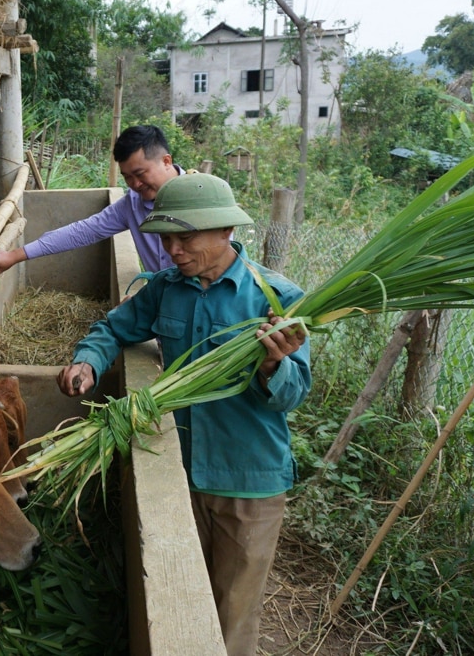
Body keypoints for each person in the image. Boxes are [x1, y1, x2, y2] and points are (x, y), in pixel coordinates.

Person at [56, 173, 311, 656]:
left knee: (232, 615)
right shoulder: (165, 289)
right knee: (182, 599)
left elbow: (292, 395)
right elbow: (113, 328)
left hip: (247, 481)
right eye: (165, 238)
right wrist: (87, 361)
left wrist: (273, 364)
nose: (172, 250)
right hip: (178, 473)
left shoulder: (276, 299)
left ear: (226, 231)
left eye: (185, 238)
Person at [0, 125, 183, 276]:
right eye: (128, 177)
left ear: (166, 161)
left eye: (140, 174)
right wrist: (14, 256)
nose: (135, 184)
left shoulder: (199, 196)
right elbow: (83, 231)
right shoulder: (132, 204)